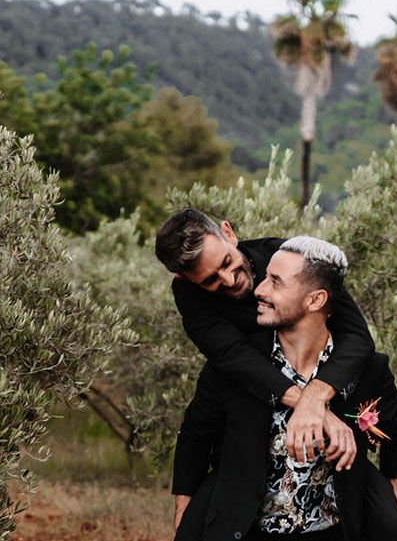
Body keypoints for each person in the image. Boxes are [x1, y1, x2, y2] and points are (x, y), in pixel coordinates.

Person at [172, 236, 397, 541]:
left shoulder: (365, 370)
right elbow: (195, 434)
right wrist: (183, 511)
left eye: (275, 282)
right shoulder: (234, 368)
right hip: (247, 531)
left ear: (315, 300)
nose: (258, 289)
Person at [154, 208, 375, 519]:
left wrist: (318, 397)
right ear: (186, 278)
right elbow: (232, 357)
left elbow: (358, 337)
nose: (229, 280)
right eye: (210, 281)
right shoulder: (187, 292)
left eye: (227, 262)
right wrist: (310, 407)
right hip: (248, 417)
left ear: (228, 233)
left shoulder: (289, 258)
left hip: (335, 411)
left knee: (388, 526)